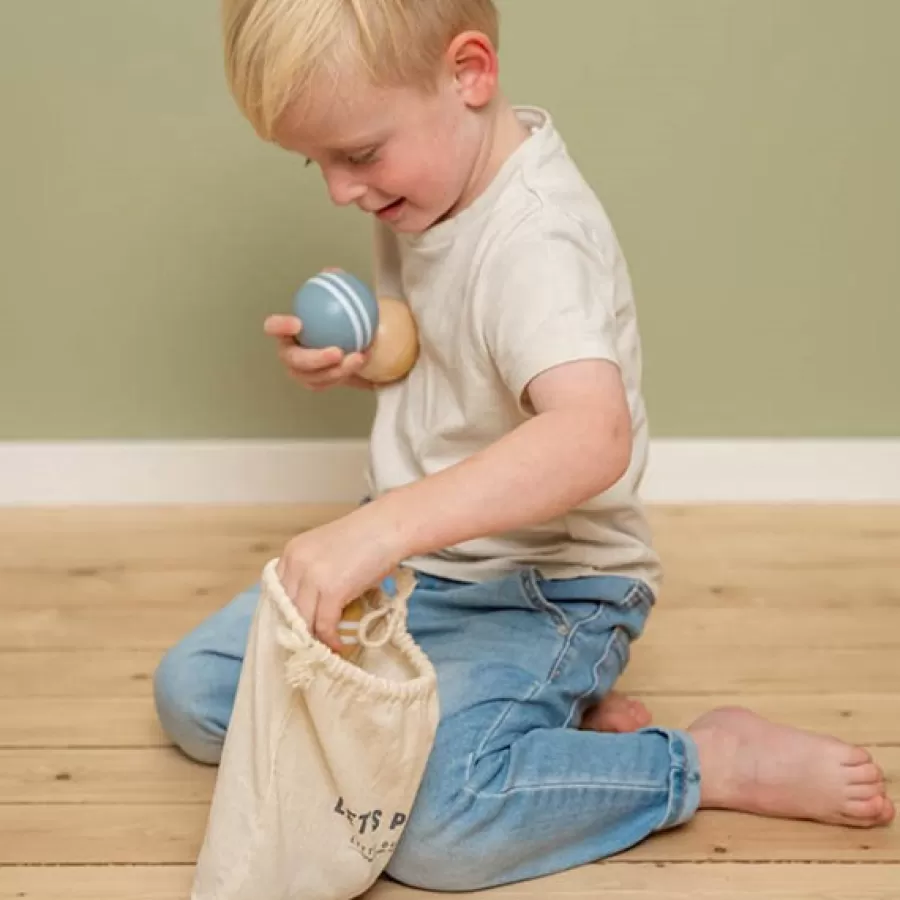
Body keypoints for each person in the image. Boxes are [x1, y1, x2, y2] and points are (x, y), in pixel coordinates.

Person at [153, 0, 894, 891]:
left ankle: (701, 762)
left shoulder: (538, 237)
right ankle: (511, 726)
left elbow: (591, 436)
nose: (340, 190)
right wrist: (371, 358)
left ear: (469, 74)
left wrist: (379, 527)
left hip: (542, 587)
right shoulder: (428, 182)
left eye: (357, 154)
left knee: (436, 827)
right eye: (317, 162)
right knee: (194, 692)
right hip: (418, 570)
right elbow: (464, 359)